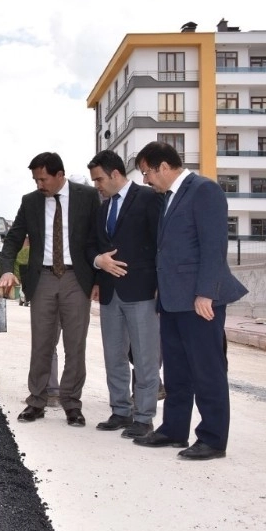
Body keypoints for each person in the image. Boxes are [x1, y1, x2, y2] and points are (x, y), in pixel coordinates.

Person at [132, 141, 247, 460]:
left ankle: (212, 439)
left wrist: (206, 292)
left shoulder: (203, 190)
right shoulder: (168, 198)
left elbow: (214, 246)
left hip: (199, 299)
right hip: (172, 299)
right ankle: (173, 429)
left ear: (163, 167)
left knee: (207, 370)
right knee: (178, 371)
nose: (145, 180)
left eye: (146, 173)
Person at [0, 152, 100, 426]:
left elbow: (98, 238)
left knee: (75, 345)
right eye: (35, 179)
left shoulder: (87, 197)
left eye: (43, 179)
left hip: (76, 278)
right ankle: (37, 402)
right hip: (41, 279)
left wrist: (99, 279)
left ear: (59, 175)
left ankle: (72, 404)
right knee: (42, 343)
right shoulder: (30, 202)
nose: (39, 185)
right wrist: (6, 269)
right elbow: (13, 238)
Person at [86, 150, 163, 439]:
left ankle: (144, 417)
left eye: (99, 179)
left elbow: (160, 242)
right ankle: (120, 411)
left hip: (142, 291)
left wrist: (159, 283)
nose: (97, 185)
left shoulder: (148, 198)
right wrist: (98, 263)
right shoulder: (103, 209)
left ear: (115, 174)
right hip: (109, 293)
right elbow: (92, 245)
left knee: (145, 358)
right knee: (113, 356)